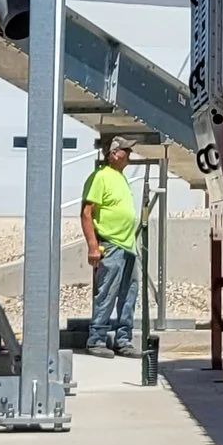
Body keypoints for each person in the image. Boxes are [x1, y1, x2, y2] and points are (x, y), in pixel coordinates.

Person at [79, 136, 140, 355]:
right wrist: (93, 246)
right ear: (114, 154)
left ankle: (124, 339)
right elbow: (87, 213)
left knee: (128, 293)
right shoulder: (100, 177)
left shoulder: (120, 178)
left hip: (128, 245)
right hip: (111, 244)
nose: (129, 155)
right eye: (126, 151)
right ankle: (96, 339)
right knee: (107, 292)